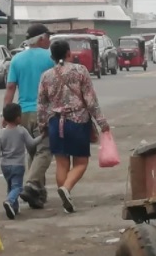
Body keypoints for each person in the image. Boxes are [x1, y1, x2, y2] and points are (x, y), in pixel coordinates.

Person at [37, 39, 110, 214]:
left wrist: (42, 125)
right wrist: (102, 123)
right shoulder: (80, 71)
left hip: (55, 122)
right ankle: (66, 189)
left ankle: (65, 199)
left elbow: (41, 104)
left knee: (61, 163)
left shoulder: (46, 75)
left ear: (52, 56)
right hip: (78, 122)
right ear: (69, 53)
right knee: (81, 162)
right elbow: (91, 101)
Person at [3, 23, 55, 209]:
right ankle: (32, 183)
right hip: (44, 111)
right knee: (45, 150)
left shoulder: (17, 59)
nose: (49, 41)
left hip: (23, 113)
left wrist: (5, 114)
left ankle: (37, 193)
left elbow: (10, 88)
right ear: (41, 38)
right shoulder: (50, 57)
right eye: (47, 37)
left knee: (33, 151)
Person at [0, 102, 42, 220]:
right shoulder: (21, 131)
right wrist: (42, 136)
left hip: (5, 166)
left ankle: (13, 209)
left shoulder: (1, 133)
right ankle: (9, 201)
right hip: (18, 165)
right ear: (18, 118)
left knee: (10, 186)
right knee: (17, 187)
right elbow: (31, 143)